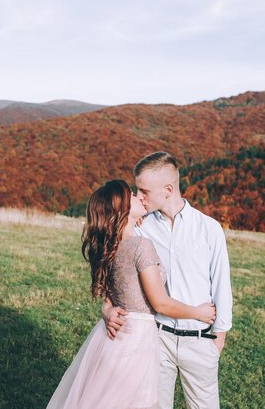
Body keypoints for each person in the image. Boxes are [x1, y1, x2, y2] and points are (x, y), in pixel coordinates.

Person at [46, 179, 216, 409]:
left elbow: (110, 294)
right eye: (133, 196)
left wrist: (106, 308)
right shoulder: (140, 246)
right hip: (138, 339)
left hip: (113, 338)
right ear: (123, 208)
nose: (140, 197)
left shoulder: (111, 246)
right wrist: (198, 313)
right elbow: (160, 303)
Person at [102, 152, 233, 409]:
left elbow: (221, 286)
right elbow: (115, 271)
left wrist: (218, 340)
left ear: (168, 189)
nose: (139, 197)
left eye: (144, 191)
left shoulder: (209, 229)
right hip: (156, 340)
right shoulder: (140, 228)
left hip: (200, 340)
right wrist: (106, 307)